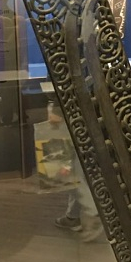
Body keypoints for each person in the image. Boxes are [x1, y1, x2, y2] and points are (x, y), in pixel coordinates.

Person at [49, 101, 104, 242]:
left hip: (70, 111)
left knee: (67, 171)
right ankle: (73, 216)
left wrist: (55, 109)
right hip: (84, 111)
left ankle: (93, 213)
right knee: (77, 166)